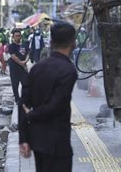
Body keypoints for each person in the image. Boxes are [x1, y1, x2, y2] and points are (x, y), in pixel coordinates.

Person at [18, 22, 78, 172]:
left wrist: (23, 138)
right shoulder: (68, 70)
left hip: (38, 142)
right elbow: (56, 105)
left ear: (51, 42)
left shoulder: (37, 68)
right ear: (73, 43)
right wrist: (32, 115)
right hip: (58, 142)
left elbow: (23, 102)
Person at [7, 28, 29, 103]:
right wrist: (22, 63)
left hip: (23, 67)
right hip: (14, 68)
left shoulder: (25, 44)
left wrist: (25, 61)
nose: (18, 37)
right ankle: (17, 99)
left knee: (25, 83)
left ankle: (25, 98)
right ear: (13, 37)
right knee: (15, 84)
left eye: (19, 36)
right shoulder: (11, 46)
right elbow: (13, 56)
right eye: (16, 36)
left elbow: (28, 53)